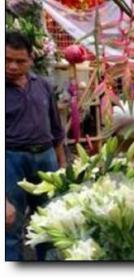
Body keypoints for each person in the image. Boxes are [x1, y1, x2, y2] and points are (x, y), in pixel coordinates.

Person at [6, 31, 66, 261]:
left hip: (46, 157)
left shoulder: (42, 85)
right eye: (7, 59)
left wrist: (62, 165)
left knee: (50, 221)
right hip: (11, 160)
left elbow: (56, 127)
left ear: (31, 59)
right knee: (10, 224)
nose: (12, 66)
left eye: (20, 61)